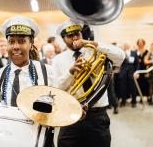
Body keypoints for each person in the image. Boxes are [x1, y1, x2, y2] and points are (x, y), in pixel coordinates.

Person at [52, 19, 125, 147]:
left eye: (77, 34)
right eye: (70, 36)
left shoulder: (96, 51)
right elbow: (56, 89)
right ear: (63, 39)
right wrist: (70, 72)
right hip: (71, 116)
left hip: (97, 115)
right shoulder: (58, 60)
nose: (75, 38)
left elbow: (120, 56)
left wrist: (90, 43)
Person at [0, 16, 55, 147]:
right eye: (11, 41)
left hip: (40, 139)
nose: (15, 46)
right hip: (9, 139)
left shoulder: (48, 72)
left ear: (31, 44)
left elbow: (57, 105)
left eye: (21, 41)